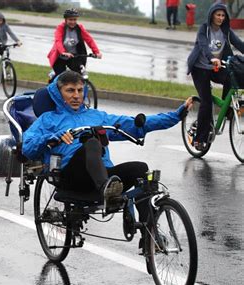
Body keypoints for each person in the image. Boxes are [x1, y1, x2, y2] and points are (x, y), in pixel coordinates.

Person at [22, 71, 192, 242]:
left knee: (140, 168)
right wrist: (51, 137)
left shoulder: (96, 116)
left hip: (102, 175)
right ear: (59, 93)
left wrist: (176, 116)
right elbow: (27, 147)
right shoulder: (48, 120)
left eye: (80, 90)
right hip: (71, 178)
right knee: (92, 143)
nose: (76, 96)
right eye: (70, 90)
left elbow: (132, 124)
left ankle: (150, 235)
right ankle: (107, 191)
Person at [187, 3, 244, 151]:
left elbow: (239, 44)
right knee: (206, 103)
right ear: (212, 15)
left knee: (231, 78)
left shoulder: (226, 31)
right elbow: (204, 46)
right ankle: (199, 139)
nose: (220, 18)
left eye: (223, 15)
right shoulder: (204, 29)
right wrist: (212, 58)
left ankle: (226, 108)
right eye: (218, 15)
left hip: (216, 68)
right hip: (200, 69)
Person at [47, 8, 102, 81]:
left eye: (75, 20)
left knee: (79, 75)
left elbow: (89, 40)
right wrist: (63, 52)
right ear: (66, 19)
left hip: (73, 56)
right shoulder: (61, 28)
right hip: (60, 57)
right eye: (70, 19)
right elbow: (58, 41)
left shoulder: (79, 28)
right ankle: (52, 85)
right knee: (60, 77)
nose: (73, 22)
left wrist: (96, 52)